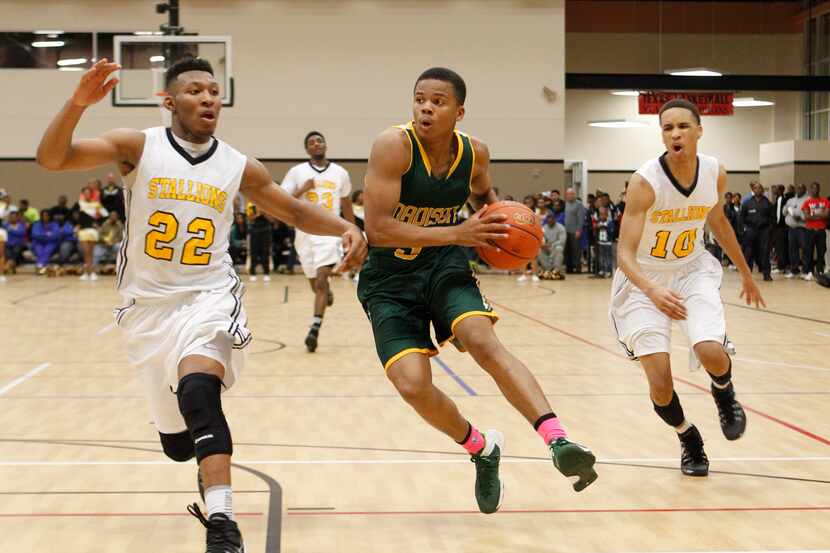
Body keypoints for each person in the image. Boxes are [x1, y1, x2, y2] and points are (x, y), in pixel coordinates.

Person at [36, 57, 366, 553]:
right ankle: (194, 459)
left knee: (198, 390)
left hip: (209, 295)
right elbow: (52, 159)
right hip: (146, 308)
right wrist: (77, 104)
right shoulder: (137, 146)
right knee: (176, 445)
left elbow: (294, 209)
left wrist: (345, 226)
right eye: (195, 90)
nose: (208, 98)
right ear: (170, 101)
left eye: (214, 90)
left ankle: (223, 523)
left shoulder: (237, 164)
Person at [358, 67, 597, 515]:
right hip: (389, 280)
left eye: (438, 101)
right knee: (412, 385)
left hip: (444, 268)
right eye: (420, 99)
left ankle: (558, 439)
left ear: (459, 111)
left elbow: (487, 204)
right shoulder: (393, 146)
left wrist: (506, 237)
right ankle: (481, 448)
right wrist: (457, 232)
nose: (426, 107)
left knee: (483, 340)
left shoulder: (475, 154)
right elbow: (378, 228)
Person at [610, 99, 765, 477]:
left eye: (682, 126)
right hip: (643, 279)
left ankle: (723, 391)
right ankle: (688, 436)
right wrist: (651, 290)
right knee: (660, 382)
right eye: (667, 128)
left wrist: (745, 272)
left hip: (691, 270)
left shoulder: (715, 172)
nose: (675, 134)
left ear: (699, 130)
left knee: (711, 350)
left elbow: (719, 223)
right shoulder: (646, 181)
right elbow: (624, 253)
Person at [280, 131, 356, 352]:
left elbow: (347, 205)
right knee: (315, 283)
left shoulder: (340, 173)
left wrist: (353, 232)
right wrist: (302, 189)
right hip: (304, 234)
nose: (316, 144)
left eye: (319, 141)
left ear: (325, 145)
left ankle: (314, 329)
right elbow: (283, 202)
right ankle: (324, 294)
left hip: (329, 232)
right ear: (307, 150)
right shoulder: (297, 172)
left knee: (322, 280)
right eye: (312, 143)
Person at [740, 182, 774, 281]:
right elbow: (742, 218)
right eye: (756, 188)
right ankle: (747, 275)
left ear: (762, 190)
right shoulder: (747, 203)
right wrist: (744, 230)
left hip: (764, 231)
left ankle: (766, 274)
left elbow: (772, 218)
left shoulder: (767, 203)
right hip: (751, 231)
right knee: (749, 253)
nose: (758, 190)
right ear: (753, 190)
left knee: (765, 252)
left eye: (760, 188)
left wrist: (769, 229)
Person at [802, 181, 829, 279]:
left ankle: (820, 271)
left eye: (817, 188)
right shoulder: (807, 202)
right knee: (809, 251)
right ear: (810, 190)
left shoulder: (825, 201)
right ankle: (809, 272)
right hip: (810, 230)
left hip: (821, 230)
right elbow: (806, 217)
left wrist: (813, 214)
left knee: (821, 251)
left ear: (819, 189)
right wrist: (819, 215)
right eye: (813, 188)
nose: (815, 190)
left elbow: (826, 215)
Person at [784, 183, 808, 278]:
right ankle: (794, 270)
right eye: (797, 188)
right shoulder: (791, 200)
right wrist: (787, 209)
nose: (799, 190)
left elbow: (808, 213)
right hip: (792, 229)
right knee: (792, 250)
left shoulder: (808, 199)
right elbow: (784, 211)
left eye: (801, 188)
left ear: (805, 190)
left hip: (803, 228)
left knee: (805, 249)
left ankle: (806, 271)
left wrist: (800, 216)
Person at [537, 213, 566, 280]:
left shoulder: (561, 228)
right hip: (546, 248)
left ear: (554, 219)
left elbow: (562, 241)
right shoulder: (544, 228)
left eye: (551, 219)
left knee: (559, 248)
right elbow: (541, 239)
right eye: (548, 219)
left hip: (555, 248)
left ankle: (556, 270)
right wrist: (543, 244)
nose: (550, 221)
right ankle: (548, 270)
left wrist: (552, 245)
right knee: (538, 250)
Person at [564, 187, 585, 273]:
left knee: (576, 251)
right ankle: (569, 268)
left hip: (575, 231)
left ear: (574, 195)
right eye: (568, 194)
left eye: (571, 194)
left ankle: (577, 268)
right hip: (566, 231)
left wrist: (579, 230)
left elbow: (581, 219)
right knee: (567, 250)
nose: (570, 196)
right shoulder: (566, 204)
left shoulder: (579, 204)